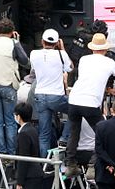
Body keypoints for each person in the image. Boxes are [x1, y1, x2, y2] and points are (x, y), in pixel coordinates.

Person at [64, 33, 115, 177]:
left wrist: (107, 89)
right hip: (91, 102)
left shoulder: (84, 59)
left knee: (74, 132)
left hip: (74, 99)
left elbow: (89, 79)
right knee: (103, 133)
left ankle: (70, 164)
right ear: (105, 49)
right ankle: (93, 164)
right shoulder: (109, 62)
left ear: (92, 48)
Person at [0, 18, 30, 155]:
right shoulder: (13, 43)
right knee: (10, 121)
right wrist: (18, 43)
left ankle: (1, 152)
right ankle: (12, 152)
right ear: (12, 32)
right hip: (8, 85)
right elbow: (25, 62)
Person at [30, 28, 73, 157]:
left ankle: (45, 163)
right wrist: (63, 49)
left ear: (42, 41)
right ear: (56, 43)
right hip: (56, 96)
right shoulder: (61, 54)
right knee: (75, 111)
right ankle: (64, 139)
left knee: (44, 133)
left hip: (40, 96)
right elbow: (70, 68)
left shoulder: (33, 54)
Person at [13, 103, 43, 189]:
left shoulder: (23, 133)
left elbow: (23, 158)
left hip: (29, 175)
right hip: (36, 172)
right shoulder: (32, 129)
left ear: (18, 116)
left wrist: (20, 182)